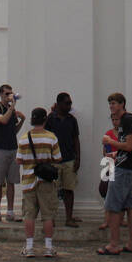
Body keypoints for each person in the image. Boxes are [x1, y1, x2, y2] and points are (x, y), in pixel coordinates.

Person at [98, 92, 132, 256]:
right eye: (110, 104)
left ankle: (113, 244)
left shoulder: (127, 120)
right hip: (125, 164)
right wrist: (115, 154)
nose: (112, 107)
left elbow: (129, 145)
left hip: (124, 168)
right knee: (129, 205)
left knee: (113, 205)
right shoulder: (127, 121)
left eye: (114, 103)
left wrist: (111, 143)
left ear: (122, 104)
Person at [15, 107, 62, 257]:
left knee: (29, 214)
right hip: (46, 181)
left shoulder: (23, 138)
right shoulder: (51, 137)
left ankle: (29, 247)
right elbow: (58, 158)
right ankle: (48, 247)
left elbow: (19, 160)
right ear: (45, 120)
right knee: (48, 215)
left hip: (29, 180)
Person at [0, 84, 25, 222]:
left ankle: (10, 211)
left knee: (11, 182)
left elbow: (13, 131)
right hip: (0, 149)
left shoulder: (12, 111)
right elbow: (2, 120)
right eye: (7, 94)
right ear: (1, 94)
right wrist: (12, 108)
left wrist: (22, 120)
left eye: (11, 93)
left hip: (12, 148)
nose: (9, 96)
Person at [46, 92, 81, 226]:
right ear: (59, 103)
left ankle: (69, 218)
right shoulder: (50, 119)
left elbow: (76, 139)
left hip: (69, 159)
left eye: (70, 103)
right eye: (67, 103)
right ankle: (51, 218)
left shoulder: (72, 120)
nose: (69, 106)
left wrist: (78, 158)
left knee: (69, 189)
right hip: (54, 160)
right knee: (52, 191)